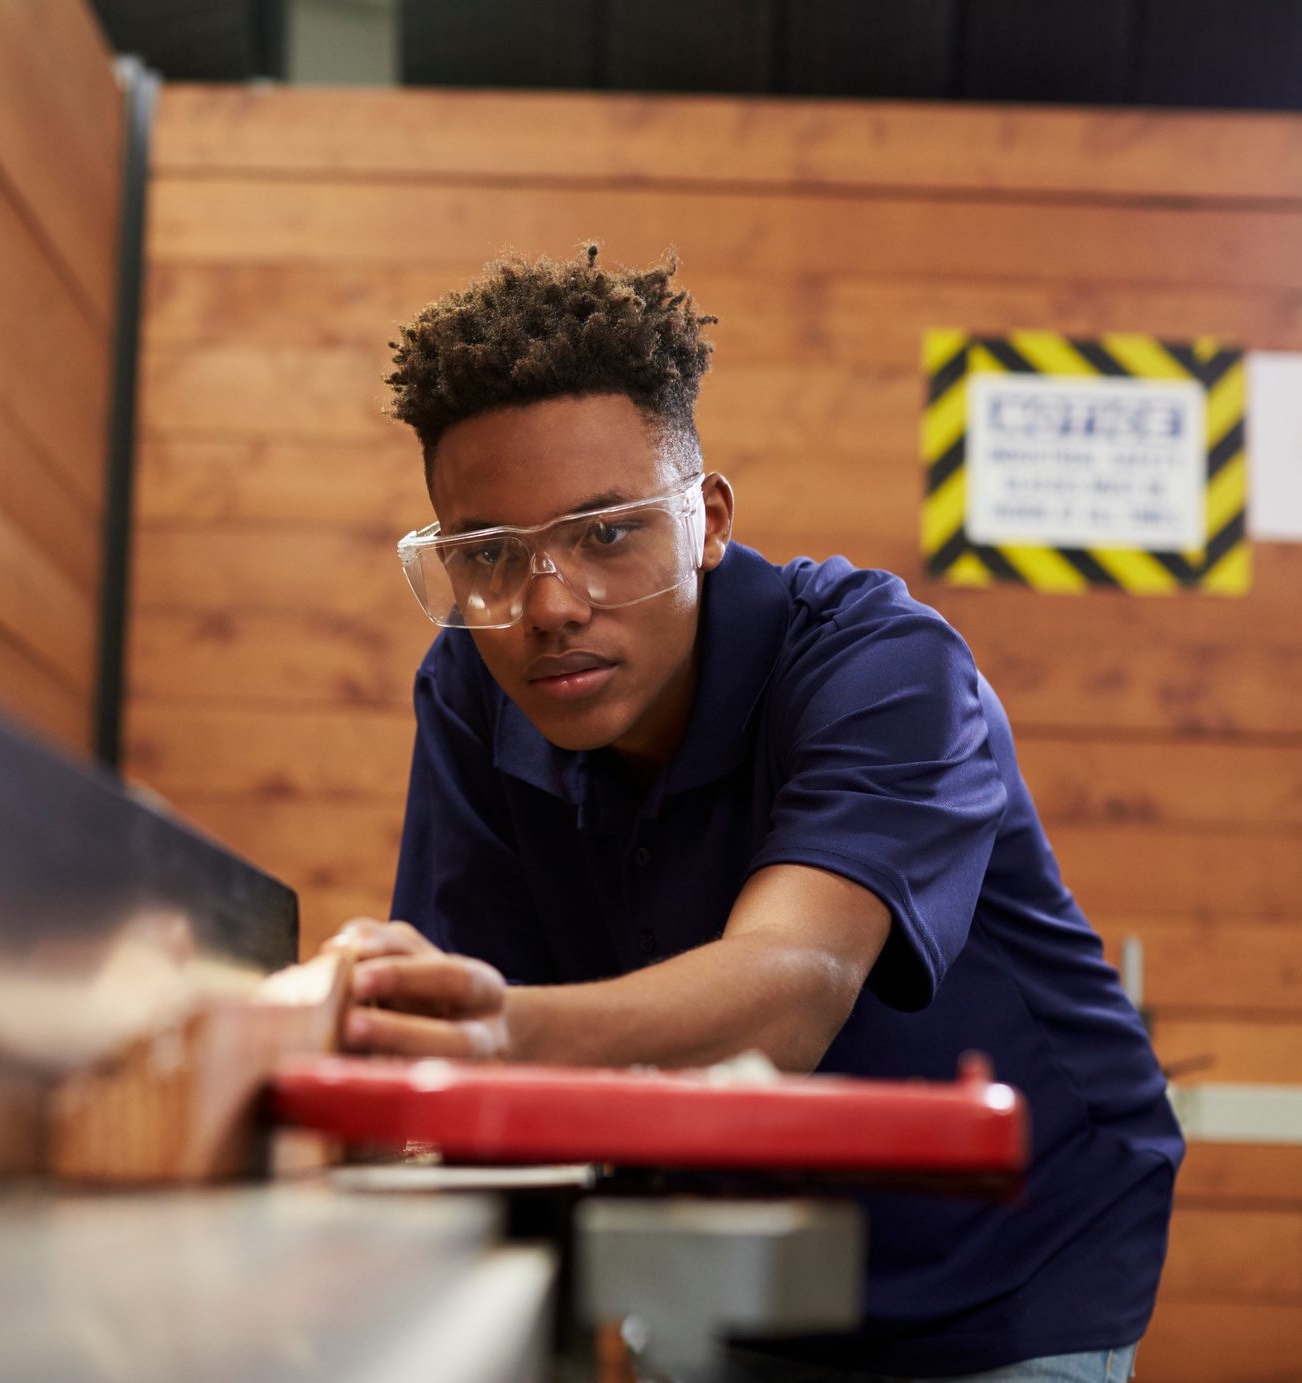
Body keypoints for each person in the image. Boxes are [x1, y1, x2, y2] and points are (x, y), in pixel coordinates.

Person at [326, 247, 1180, 1382]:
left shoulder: (883, 665)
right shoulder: (473, 691)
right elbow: (485, 1009)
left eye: (606, 533)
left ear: (707, 519)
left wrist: (498, 1036)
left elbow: (790, 990)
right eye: (488, 556)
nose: (548, 607)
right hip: (723, 1256)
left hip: (1007, 1258)